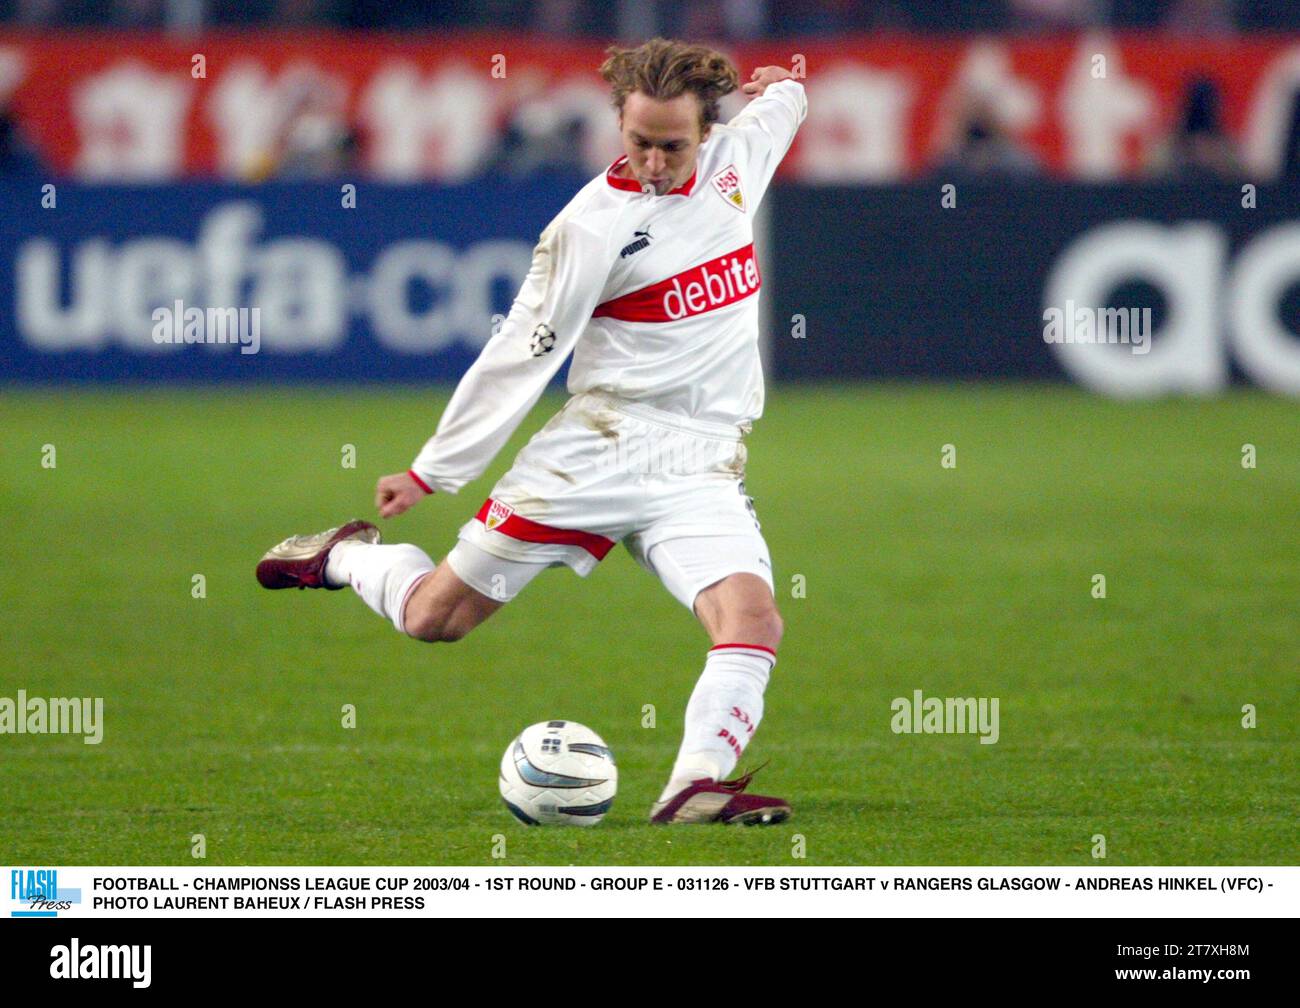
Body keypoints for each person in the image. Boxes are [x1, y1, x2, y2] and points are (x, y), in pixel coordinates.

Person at [256, 38, 807, 825]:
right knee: (433, 620)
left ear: (707, 132)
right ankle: (342, 557)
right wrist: (432, 471)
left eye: (673, 146)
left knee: (752, 619)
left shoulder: (735, 163)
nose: (655, 161)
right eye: (639, 142)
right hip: (599, 449)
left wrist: (787, 83)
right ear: (619, 125)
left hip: (701, 464)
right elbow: (521, 351)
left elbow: (781, 111)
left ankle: (694, 787)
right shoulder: (589, 229)